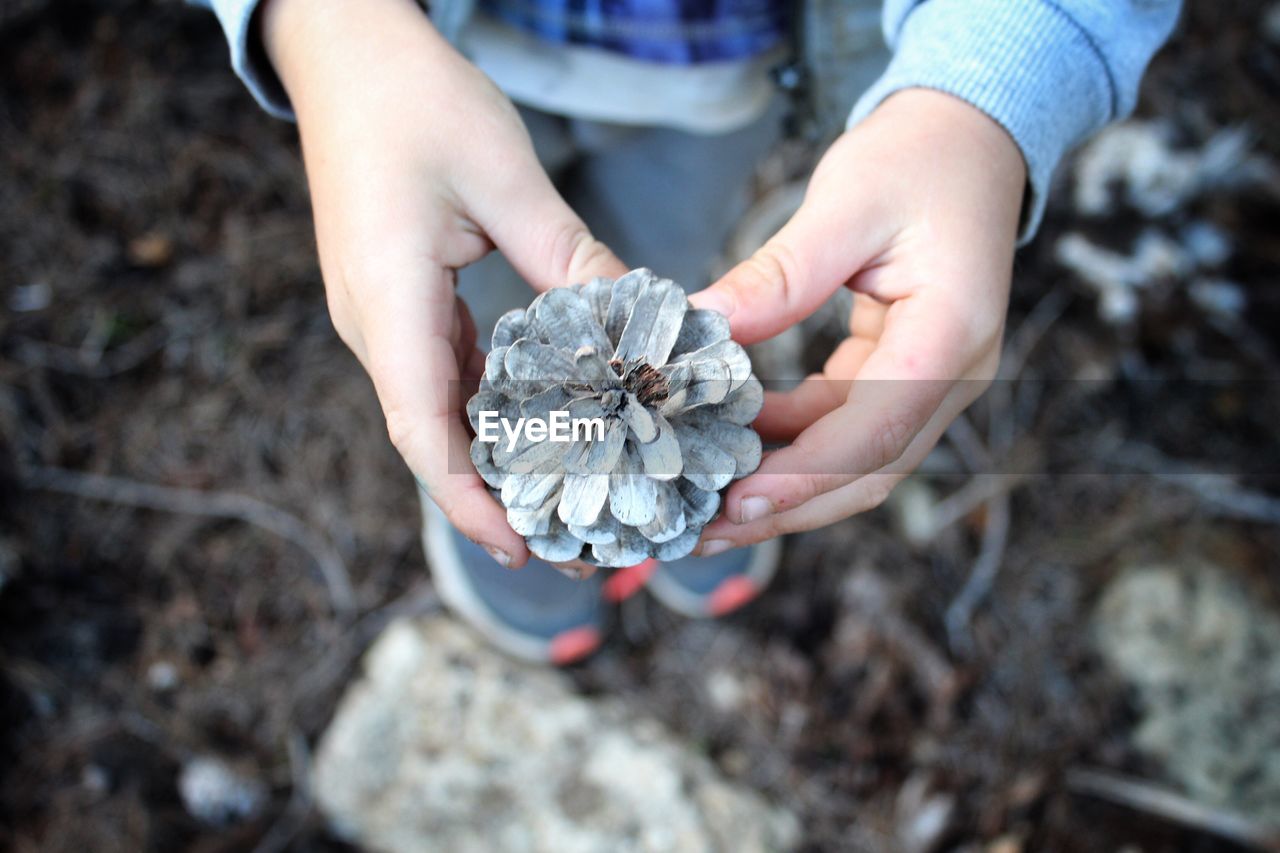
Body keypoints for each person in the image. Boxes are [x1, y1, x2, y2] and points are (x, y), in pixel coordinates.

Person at [195, 0, 1180, 663]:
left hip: (722, 76)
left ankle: (680, 494)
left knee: (674, 267)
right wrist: (327, 29)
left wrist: (992, 84)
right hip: (427, 56)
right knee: (468, 313)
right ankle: (526, 503)